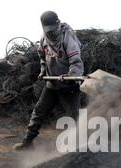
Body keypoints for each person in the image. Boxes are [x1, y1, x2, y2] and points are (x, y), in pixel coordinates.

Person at [13, 11, 84, 150]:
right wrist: (43, 70)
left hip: (68, 86)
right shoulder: (44, 38)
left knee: (75, 117)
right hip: (52, 83)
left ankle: (84, 146)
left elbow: (76, 62)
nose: (51, 34)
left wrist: (71, 75)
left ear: (58, 23)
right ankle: (27, 142)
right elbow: (42, 56)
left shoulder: (68, 37)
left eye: (52, 30)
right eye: (48, 31)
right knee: (39, 111)